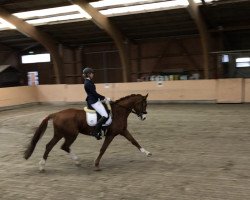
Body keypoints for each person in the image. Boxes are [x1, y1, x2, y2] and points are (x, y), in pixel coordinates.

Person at [82, 67, 108, 140]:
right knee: (105, 115)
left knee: (104, 110)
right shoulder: (88, 83)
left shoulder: (89, 81)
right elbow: (94, 93)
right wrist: (103, 97)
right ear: (88, 74)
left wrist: (101, 98)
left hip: (94, 100)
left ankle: (103, 128)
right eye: (91, 73)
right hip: (93, 101)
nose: (93, 74)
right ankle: (95, 131)